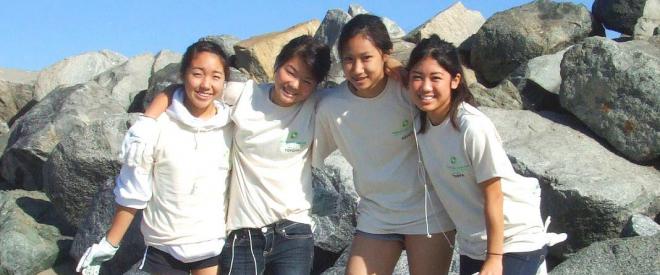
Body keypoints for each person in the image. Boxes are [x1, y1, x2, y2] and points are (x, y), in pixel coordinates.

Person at [144, 35, 331, 275]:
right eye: (290, 72)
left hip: (293, 231)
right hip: (243, 234)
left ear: (316, 86)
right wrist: (147, 121)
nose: (294, 84)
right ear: (277, 65)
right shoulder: (243, 95)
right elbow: (187, 89)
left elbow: (358, 95)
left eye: (307, 80)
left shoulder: (317, 105)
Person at [405, 34, 566, 275]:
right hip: (473, 245)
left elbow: (494, 196)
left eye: (435, 77)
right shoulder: (422, 123)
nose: (425, 87)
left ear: (455, 80)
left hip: (513, 240)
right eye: (417, 77)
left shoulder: (472, 127)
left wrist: (493, 259)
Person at [312, 14, 456, 275]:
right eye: (348, 59)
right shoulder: (331, 107)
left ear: (385, 54)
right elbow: (307, 152)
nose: (357, 69)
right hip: (376, 216)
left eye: (366, 58)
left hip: (428, 213)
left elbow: (453, 115)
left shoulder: (408, 91)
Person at [76, 40, 233, 275]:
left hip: (211, 247)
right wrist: (109, 243)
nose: (205, 85)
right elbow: (133, 189)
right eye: (197, 74)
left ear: (225, 82)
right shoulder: (152, 129)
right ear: (183, 75)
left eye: (216, 76)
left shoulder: (232, 124)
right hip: (163, 250)